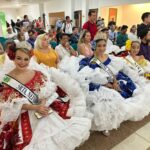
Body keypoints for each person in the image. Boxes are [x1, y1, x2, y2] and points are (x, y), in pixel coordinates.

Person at [0, 42, 91, 149]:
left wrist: (42, 105)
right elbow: (12, 103)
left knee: (59, 130)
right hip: (25, 113)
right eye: (19, 58)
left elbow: (45, 92)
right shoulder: (7, 79)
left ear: (30, 59)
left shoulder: (36, 72)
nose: (22, 62)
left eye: (26, 59)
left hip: (43, 107)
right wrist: (36, 107)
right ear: (13, 58)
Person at [59, 39, 150, 136]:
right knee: (105, 103)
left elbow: (114, 71)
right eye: (99, 46)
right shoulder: (89, 61)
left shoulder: (110, 57)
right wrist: (105, 84)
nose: (102, 48)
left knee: (130, 93)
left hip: (114, 80)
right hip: (99, 85)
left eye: (103, 45)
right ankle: (106, 125)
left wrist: (114, 81)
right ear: (94, 47)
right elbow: (89, 77)